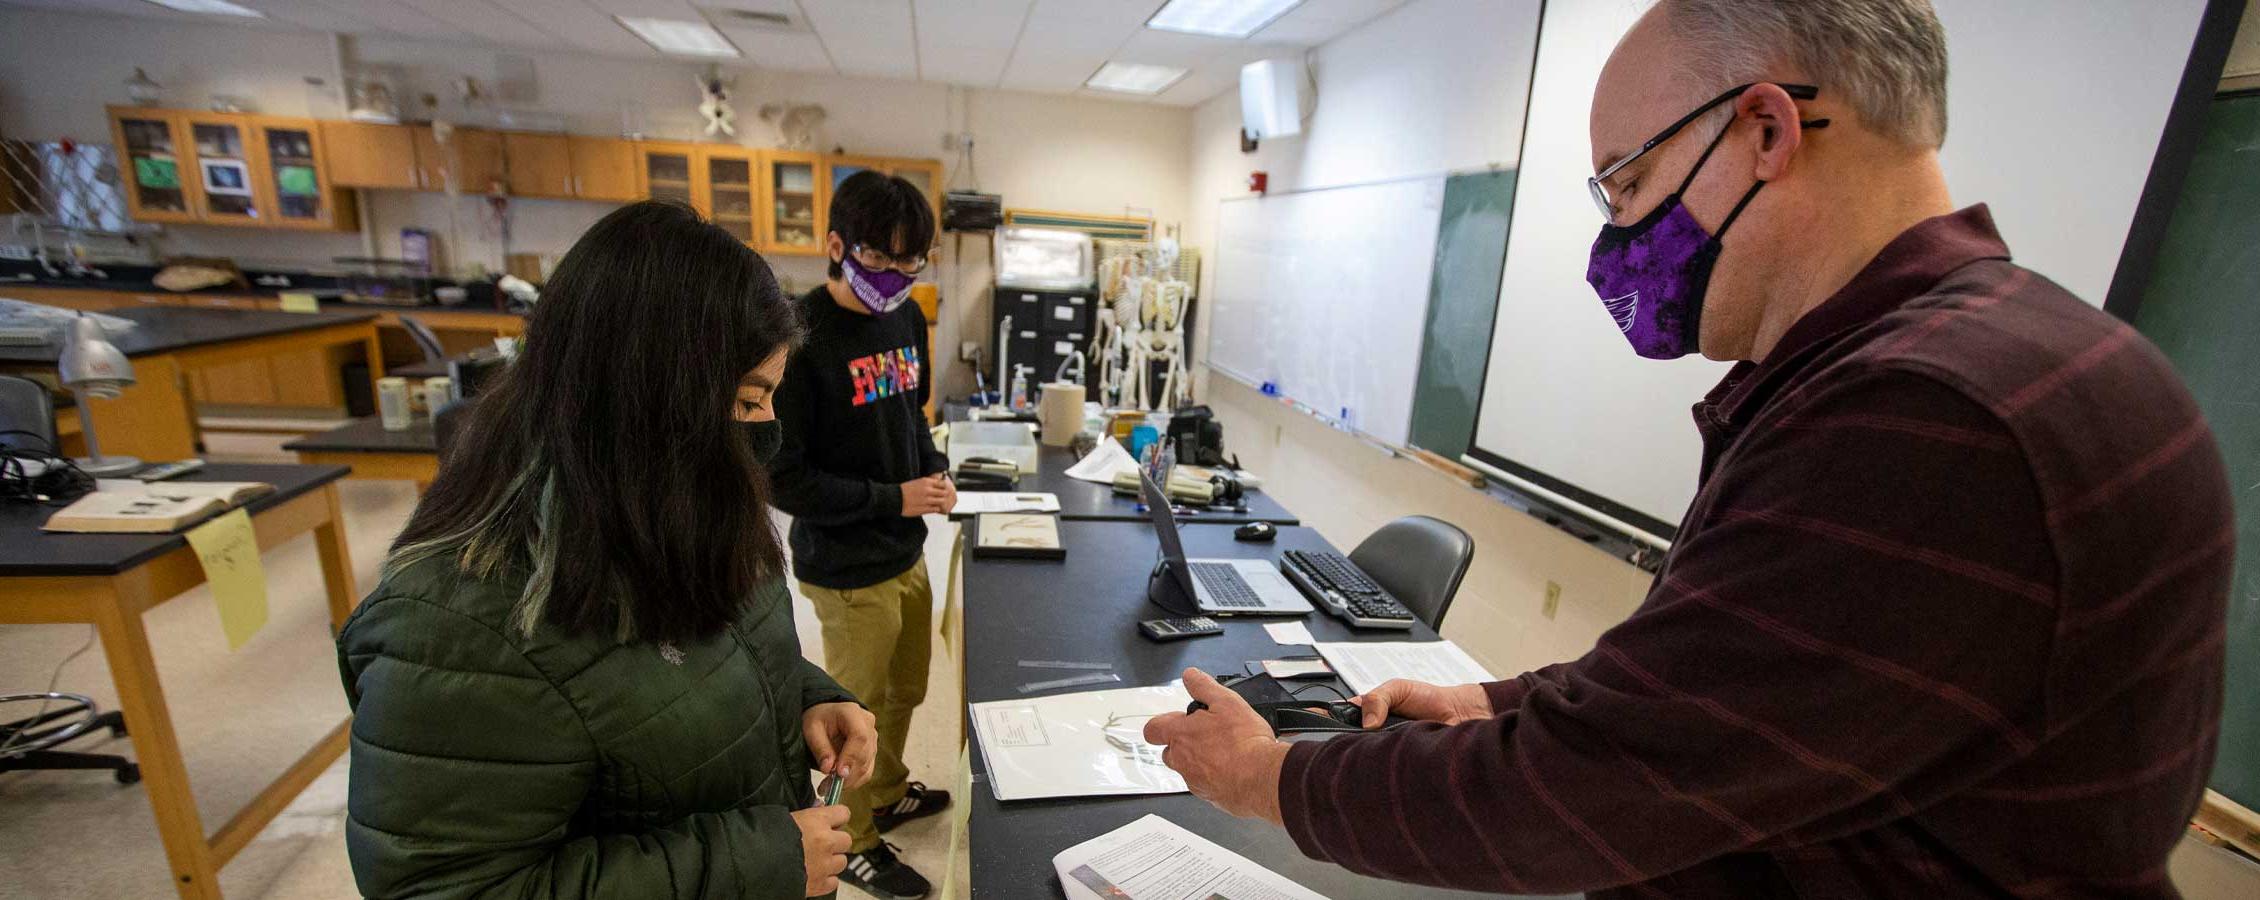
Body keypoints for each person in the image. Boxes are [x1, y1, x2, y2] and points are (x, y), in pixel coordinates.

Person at [1144, 1, 2232, 896]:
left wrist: (1267, 779)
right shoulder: (2010, 354)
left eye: (1627, 184)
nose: (1616, 240)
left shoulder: (1927, 417)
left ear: (1766, 130)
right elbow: (1728, 691)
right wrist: (1497, 701)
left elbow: (1591, 790)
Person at [337, 200, 877, 899]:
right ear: (650, 401)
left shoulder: (674, 502)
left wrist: (808, 697)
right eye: (747, 402)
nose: (766, 429)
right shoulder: (462, 631)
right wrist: (756, 866)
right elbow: (447, 889)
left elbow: (713, 655)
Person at [768, 169, 954, 900]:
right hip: (845, 567)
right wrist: (894, 497)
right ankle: (858, 840)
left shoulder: (906, 318)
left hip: (903, 551)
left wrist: (934, 472)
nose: (896, 279)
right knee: (857, 713)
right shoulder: (801, 339)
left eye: (913, 263)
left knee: (908, 689)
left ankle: (889, 791)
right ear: (837, 246)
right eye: (880, 261)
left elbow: (911, 415)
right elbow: (785, 479)